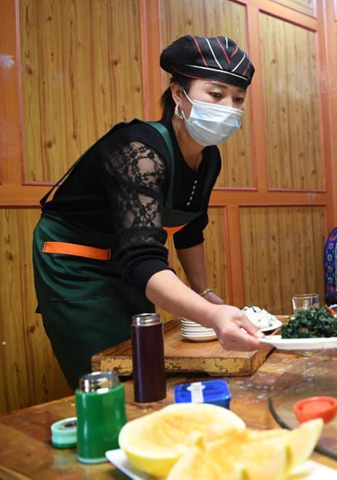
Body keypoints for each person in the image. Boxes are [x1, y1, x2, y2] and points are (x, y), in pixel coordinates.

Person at [32, 35, 263, 387]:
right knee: (108, 376)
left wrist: (204, 293)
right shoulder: (139, 149)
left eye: (238, 98)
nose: (228, 107)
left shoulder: (209, 156)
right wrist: (213, 315)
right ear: (177, 94)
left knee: (145, 363)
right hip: (76, 265)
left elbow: (188, 226)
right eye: (216, 95)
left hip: (134, 264)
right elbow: (142, 257)